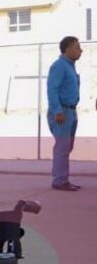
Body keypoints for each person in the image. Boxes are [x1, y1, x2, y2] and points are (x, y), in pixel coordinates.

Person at [47, 36, 83, 191]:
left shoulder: (70, 67)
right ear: (67, 49)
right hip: (62, 111)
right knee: (62, 147)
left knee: (67, 147)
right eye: (77, 47)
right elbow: (52, 89)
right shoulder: (59, 66)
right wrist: (57, 110)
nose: (80, 50)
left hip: (71, 111)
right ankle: (60, 181)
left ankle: (60, 177)